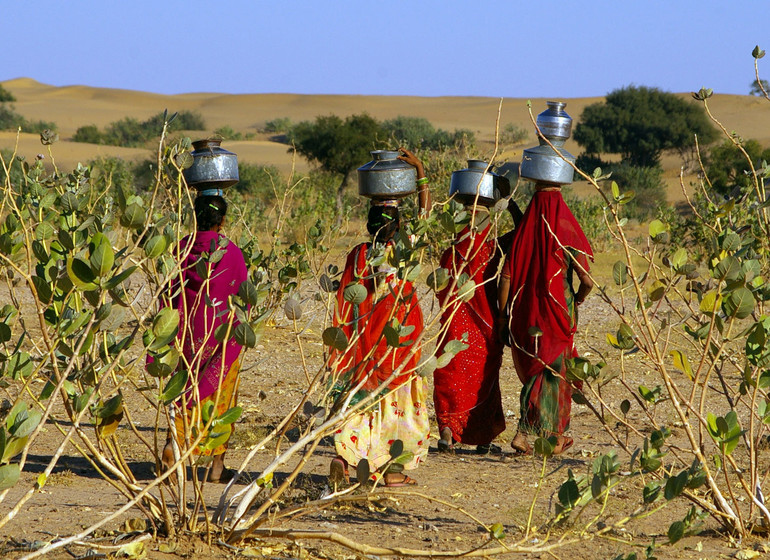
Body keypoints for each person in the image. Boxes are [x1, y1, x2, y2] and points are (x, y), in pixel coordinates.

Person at [328, 148, 431, 487]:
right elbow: (425, 213)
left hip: (363, 345)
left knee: (360, 402)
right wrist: (420, 173)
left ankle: (347, 460)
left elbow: (346, 299)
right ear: (399, 226)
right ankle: (395, 471)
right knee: (397, 405)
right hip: (397, 345)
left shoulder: (359, 254)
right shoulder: (405, 250)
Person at [157, 192, 248, 482]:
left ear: (195, 216)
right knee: (222, 397)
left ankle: (175, 445)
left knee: (182, 392)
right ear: (222, 220)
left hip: (185, 336)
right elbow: (244, 296)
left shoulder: (180, 249)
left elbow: (167, 291)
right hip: (220, 336)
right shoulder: (231, 252)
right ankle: (216, 467)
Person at [497, 183, 593, 455]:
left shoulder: (525, 231)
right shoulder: (565, 228)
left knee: (539, 367)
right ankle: (530, 432)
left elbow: (506, 278)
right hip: (559, 309)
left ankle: (549, 435)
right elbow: (586, 280)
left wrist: (504, 318)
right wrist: (578, 298)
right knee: (556, 370)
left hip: (527, 312)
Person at [433, 199, 522, 454]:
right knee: (483, 381)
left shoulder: (450, 254)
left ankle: (447, 432)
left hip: (453, 328)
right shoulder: (491, 250)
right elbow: (522, 231)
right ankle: (484, 438)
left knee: (450, 378)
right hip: (484, 330)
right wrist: (512, 205)